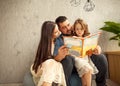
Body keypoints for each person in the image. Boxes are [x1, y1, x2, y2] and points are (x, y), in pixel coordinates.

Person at [55, 16, 108, 86]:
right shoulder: (59, 40)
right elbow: (56, 57)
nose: (68, 28)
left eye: (68, 25)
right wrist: (63, 53)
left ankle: (102, 84)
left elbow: (92, 43)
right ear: (59, 29)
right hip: (73, 62)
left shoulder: (78, 30)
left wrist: (97, 48)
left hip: (86, 57)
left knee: (101, 57)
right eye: (64, 27)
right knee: (69, 59)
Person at [30, 21, 67, 86]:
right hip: (40, 68)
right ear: (49, 34)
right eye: (56, 32)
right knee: (52, 62)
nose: (60, 32)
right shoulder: (44, 45)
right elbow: (44, 61)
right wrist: (57, 58)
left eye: (58, 30)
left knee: (57, 64)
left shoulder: (58, 42)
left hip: (51, 69)